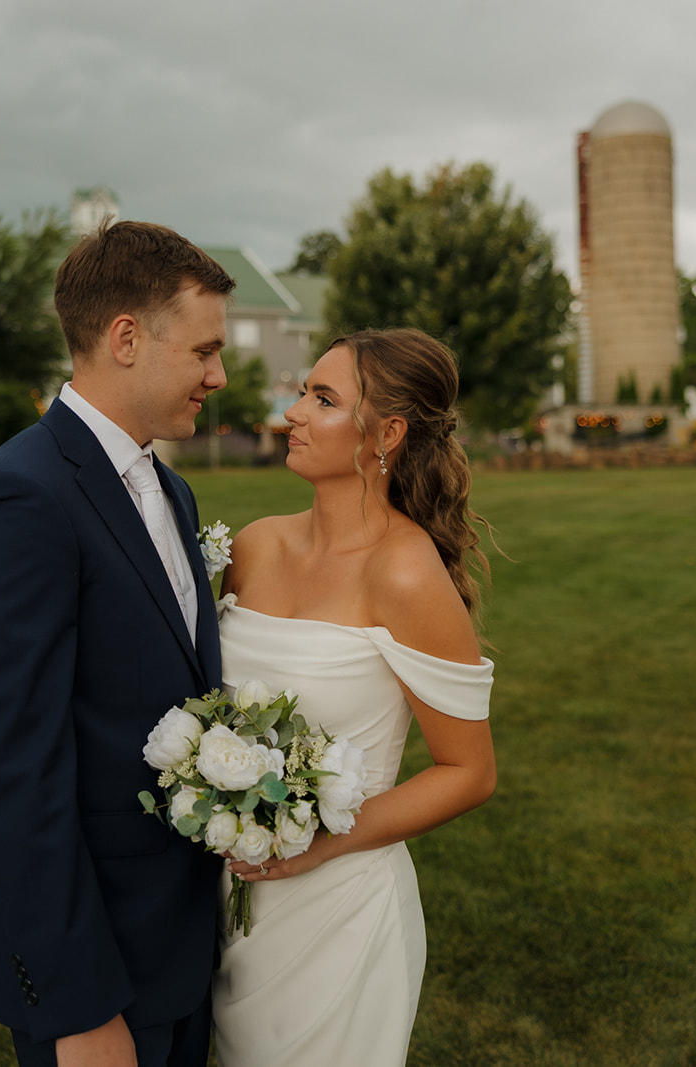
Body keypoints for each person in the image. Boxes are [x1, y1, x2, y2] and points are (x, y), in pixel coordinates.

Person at [0, 220, 236, 1067]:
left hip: (182, 947)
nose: (219, 375)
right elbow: (13, 771)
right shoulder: (20, 499)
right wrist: (80, 1006)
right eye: (205, 351)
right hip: (99, 972)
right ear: (127, 338)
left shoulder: (172, 492)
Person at [211, 328, 497, 1066]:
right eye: (304, 391)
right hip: (225, 898)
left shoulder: (406, 575)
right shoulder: (254, 547)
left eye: (323, 398)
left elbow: (468, 770)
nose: (292, 412)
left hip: (339, 909)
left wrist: (318, 844)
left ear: (388, 434)